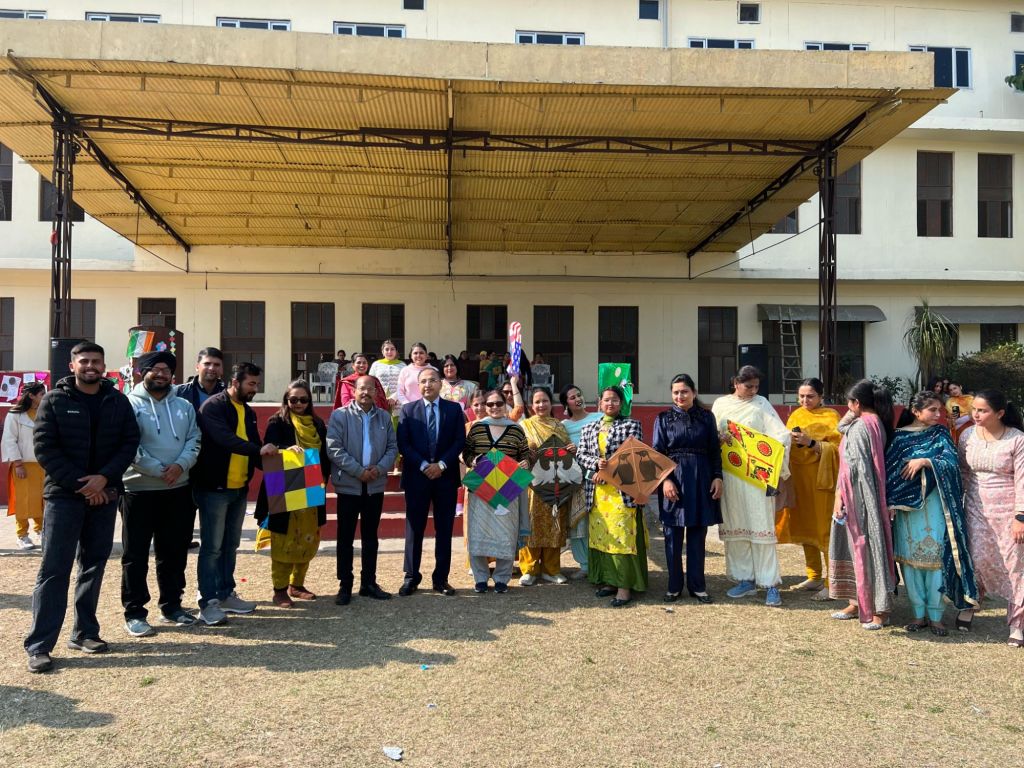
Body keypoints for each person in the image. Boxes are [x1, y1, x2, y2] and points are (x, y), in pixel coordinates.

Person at [24, 342, 140, 673]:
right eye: (84, 361)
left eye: (96, 361)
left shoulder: (117, 401)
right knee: (54, 569)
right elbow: (45, 449)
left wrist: (103, 479)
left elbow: (129, 443)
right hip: (63, 496)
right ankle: (40, 645)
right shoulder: (54, 400)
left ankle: (85, 632)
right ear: (72, 366)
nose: (91, 366)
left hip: (105, 495)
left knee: (93, 565)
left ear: (104, 366)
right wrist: (84, 485)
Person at [121, 351, 202, 636]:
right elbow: (126, 444)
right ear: (143, 372)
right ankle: (134, 612)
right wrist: (157, 469)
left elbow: (194, 439)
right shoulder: (128, 404)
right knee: (135, 554)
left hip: (177, 488)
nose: (160, 374)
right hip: (138, 490)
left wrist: (180, 466)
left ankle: (172, 605)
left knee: (174, 552)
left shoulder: (184, 406)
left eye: (166, 370)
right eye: (154, 369)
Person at [885, 391, 978, 637]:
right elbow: (891, 473)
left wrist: (926, 461)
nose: (939, 415)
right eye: (933, 410)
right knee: (910, 562)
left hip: (938, 506)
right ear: (916, 412)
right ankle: (917, 614)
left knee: (937, 561)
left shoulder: (940, 433)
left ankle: (936, 616)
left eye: (940, 410)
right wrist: (892, 501)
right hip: (908, 512)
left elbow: (952, 464)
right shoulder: (898, 437)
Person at [193, 362, 275, 626]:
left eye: (257, 384)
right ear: (235, 382)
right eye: (251, 384)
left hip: (239, 488)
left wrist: (283, 459)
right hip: (214, 489)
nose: (255, 389)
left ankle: (226, 594)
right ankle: (208, 602)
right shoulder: (213, 407)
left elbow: (255, 446)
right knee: (212, 548)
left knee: (230, 545)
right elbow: (224, 439)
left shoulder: (248, 411)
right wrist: (259, 451)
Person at [711, 366, 791, 607]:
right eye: (749, 386)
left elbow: (780, 435)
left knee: (761, 527)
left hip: (757, 476)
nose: (753, 390)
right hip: (731, 474)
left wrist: (765, 452)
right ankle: (745, 579)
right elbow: (710, 433)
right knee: (736, 527)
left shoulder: (761, 404)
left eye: (756, 386)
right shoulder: (720, 404)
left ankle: (770, 583)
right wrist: (718, 438)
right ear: (736, 383)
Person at [828, 379, 896, 630]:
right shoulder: (874, 421)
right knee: (861, 546)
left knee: (865, 546)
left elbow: (854, 468)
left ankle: (880, 609)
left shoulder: (861, 426)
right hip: (865, 493)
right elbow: (841, 427)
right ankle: (857, 601)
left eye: (850, 402)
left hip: (859, 495)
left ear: (856, 403)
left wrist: (841, 497)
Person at [254, 380, 329, 608]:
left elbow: (324, 455)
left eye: (303, 399)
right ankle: (279, 589)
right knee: (284, 540)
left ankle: (297, 585)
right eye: (293, 399)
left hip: (311, 487)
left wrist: (324, 480)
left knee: (307, 538)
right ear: (286, 400)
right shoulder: (277, 422)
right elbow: (268, 450)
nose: (298, 404)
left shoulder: (317, 424)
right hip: (283, 487)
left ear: (309, 401)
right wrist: (285, 450)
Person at [958, 389, 1024, 647]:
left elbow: (1022, 479)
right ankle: (970, 604)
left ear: (1000, 413)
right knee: (975, 559)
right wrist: (957, 505)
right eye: (974, 409)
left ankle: (1017, 624)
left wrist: (1020, 516)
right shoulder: (967, 436)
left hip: (1008, 511)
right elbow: (963, 473)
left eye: (983, 410)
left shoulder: (1017, 439)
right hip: (975, 508)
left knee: (1014, 565)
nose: (976, 414)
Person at [327, 375, 399, 606]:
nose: (366, 392)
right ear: (354, 391)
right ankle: (345, 584)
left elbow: (392, 447)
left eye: (370, 388)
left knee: (370, 537)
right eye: (362, 388)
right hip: (349, 486)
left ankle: (368, 582)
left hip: (375, 485)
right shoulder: (340, 415)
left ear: (376, 393)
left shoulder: (384, 417)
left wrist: (379, 469)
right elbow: (334, 448)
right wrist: (359, 471)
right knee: (345, 537)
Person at [653, 374, 723, 604]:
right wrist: (666, 480)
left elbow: (715, 450)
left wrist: (717, 477)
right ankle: (674, 586)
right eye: (676, 392)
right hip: (673, 479)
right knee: (672, 535)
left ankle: (697, 586)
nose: (680, 396)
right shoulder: (663, 418)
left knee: (697, 535)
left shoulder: (706, 417)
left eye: (684, 391)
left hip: (701, 478)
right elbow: (657, 453)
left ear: (694, 392)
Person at [396, 367, 465, 596]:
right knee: (414, 529)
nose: (428, 385)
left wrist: (441, 465)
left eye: (432, 380)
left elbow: (459, 441)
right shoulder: (408, 410)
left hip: (445, 478)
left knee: (444, 529)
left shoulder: (453, 410)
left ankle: (441, 578)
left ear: (440, 383)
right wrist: (425, 465)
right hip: (417, 477)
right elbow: (404, 444)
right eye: (423, 381)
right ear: (418, 385)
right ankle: (411, 577)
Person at [577, 386, 646, 607]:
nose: (610, 403)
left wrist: (609, 469)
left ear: (621, 403)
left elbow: (636, 456)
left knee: (622, 537)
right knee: (602, 537)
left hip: (622, 491)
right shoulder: (589, 427)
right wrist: (596, 465)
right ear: (599, 402)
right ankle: (609, 581)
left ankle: (624, 588)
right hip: (597, 492)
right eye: (606, 400)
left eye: (615, 400)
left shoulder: (632, 425)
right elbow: (581, 455)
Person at [776, 378, 841, 601]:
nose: (805, 400)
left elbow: (838, 449)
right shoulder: (796, 415)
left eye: (810, 396)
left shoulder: (831, 416)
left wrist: (811, 442)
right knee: (805, 527)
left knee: (824, 529)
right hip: (799, 479)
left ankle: (832, 583)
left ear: (821, 396)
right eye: (801, 396)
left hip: (821, 481)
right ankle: (814, 576)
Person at [463, 390, 531, 593]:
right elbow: (466, 453)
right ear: (485, 406)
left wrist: (526, 462)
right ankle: (480, 578)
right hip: (481, 487)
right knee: (478, 533)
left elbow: (525, 453)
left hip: (508, 488)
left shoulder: (516, 429)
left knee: (506, 534)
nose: (494, 407)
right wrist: (473, 461)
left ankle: (502, 578)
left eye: (499, 403)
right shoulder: (477, 428)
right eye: (490, 404)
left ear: (505, 404)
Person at [519, 387, 571, 586]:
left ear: (551, 402)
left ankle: (551, 569)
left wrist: (570, 450)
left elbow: (566, 451)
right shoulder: (525, 426)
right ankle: (529, 569)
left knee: (554, 524)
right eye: (537, 402)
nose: (541, 405)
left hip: (555, 483)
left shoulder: (559, 426)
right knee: (531, 524)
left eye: (545, 401)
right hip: (532, 484)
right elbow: (518, 451)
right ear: (531, 405)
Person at [560, 384, 602, 579]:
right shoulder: (564, 426)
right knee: (578, 521)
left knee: (597, 520)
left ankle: (600, 562)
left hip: (596, 477)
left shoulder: (598, 418)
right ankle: (584, 564)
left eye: (579, 394)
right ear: (566, 404)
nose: (578, 399)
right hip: (574, 480)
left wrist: (582, 452)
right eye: (572, 397)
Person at [2, 381, 46, 550]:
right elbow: (9, 440)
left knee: (42, 500)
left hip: (44, 464)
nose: (44, 396)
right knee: (24, 500)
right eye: (41, 394)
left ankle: (41, 531)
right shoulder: (15, 415)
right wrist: (18, 464)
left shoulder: (46, 412)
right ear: (31, 396)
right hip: (24, 465)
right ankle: (22, 535)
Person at [368, 339, 406, 415]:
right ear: (382, 351)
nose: (389, 352)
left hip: (398, 402)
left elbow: (405, 384)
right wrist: (380, 397)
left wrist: (394, 397)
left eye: (392, 349)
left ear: (396, 351)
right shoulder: (376, 364)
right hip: (379, 400)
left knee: (397, 420)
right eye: (387, 349)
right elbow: (371, 383)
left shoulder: (403, 365)